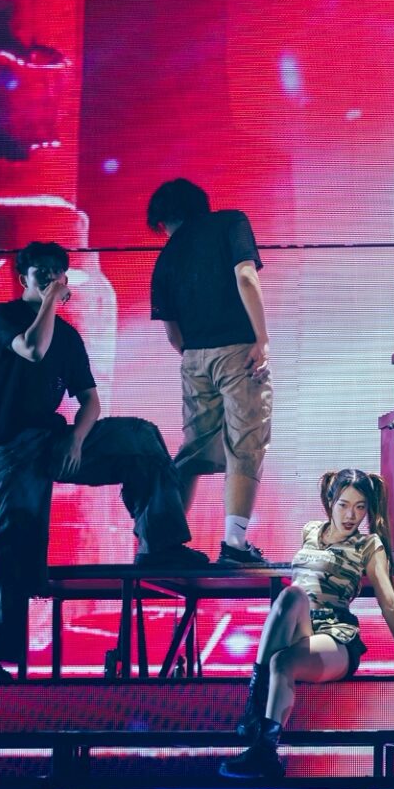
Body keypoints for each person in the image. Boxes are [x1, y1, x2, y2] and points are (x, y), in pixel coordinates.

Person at [0, 241, 209, 681]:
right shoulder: (4, 317)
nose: (49, 277)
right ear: (24, 278)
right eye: (41, 271)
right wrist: (48, 303)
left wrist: (76, 441)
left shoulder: (69, 337)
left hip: (54, 439)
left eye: (56, 271)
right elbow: (33, 349)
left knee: (140, 438)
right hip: (12, 446)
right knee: (13, 540)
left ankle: (160, 546)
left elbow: (91, 401)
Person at [221, 469, 394, 779]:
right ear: (330, 502)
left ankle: (264, 750)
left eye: (360, 507)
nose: (351, 515)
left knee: (282, 660)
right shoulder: (309, 530)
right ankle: (254, 706)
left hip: (336, 636)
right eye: (344, 505)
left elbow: (389, 603)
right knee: (291, 595)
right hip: (301, 626)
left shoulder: (368, 544)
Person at [148, 178, 274, 566]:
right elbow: (246, 276)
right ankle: (234, 544)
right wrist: (261, 338)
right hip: (238, 352)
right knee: (246, 444)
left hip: (193, 358)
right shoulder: (230, 223)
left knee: (194, 450)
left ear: (164, 220)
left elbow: (173, 335)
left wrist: (198, 357)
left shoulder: (166, 257)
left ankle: (159, 542)